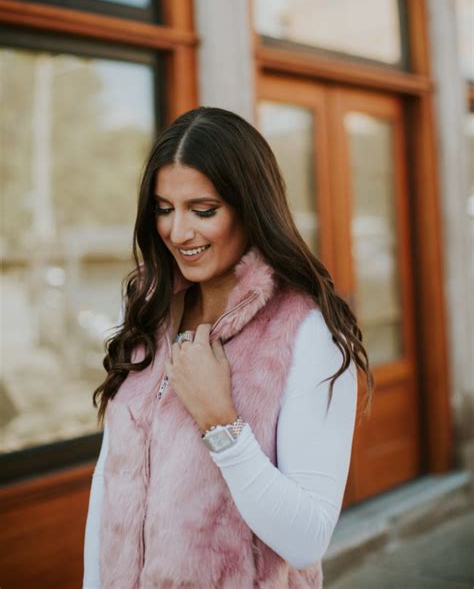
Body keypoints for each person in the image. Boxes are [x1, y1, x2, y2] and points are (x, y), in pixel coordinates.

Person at [82, 106, 373, 589]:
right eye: (163, 208)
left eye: (203, 210)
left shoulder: (305, 333)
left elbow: (307, 541)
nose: (178, 231)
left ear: (250, 206)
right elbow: (107, 479)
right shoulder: (148, 314)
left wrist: (220, 421)